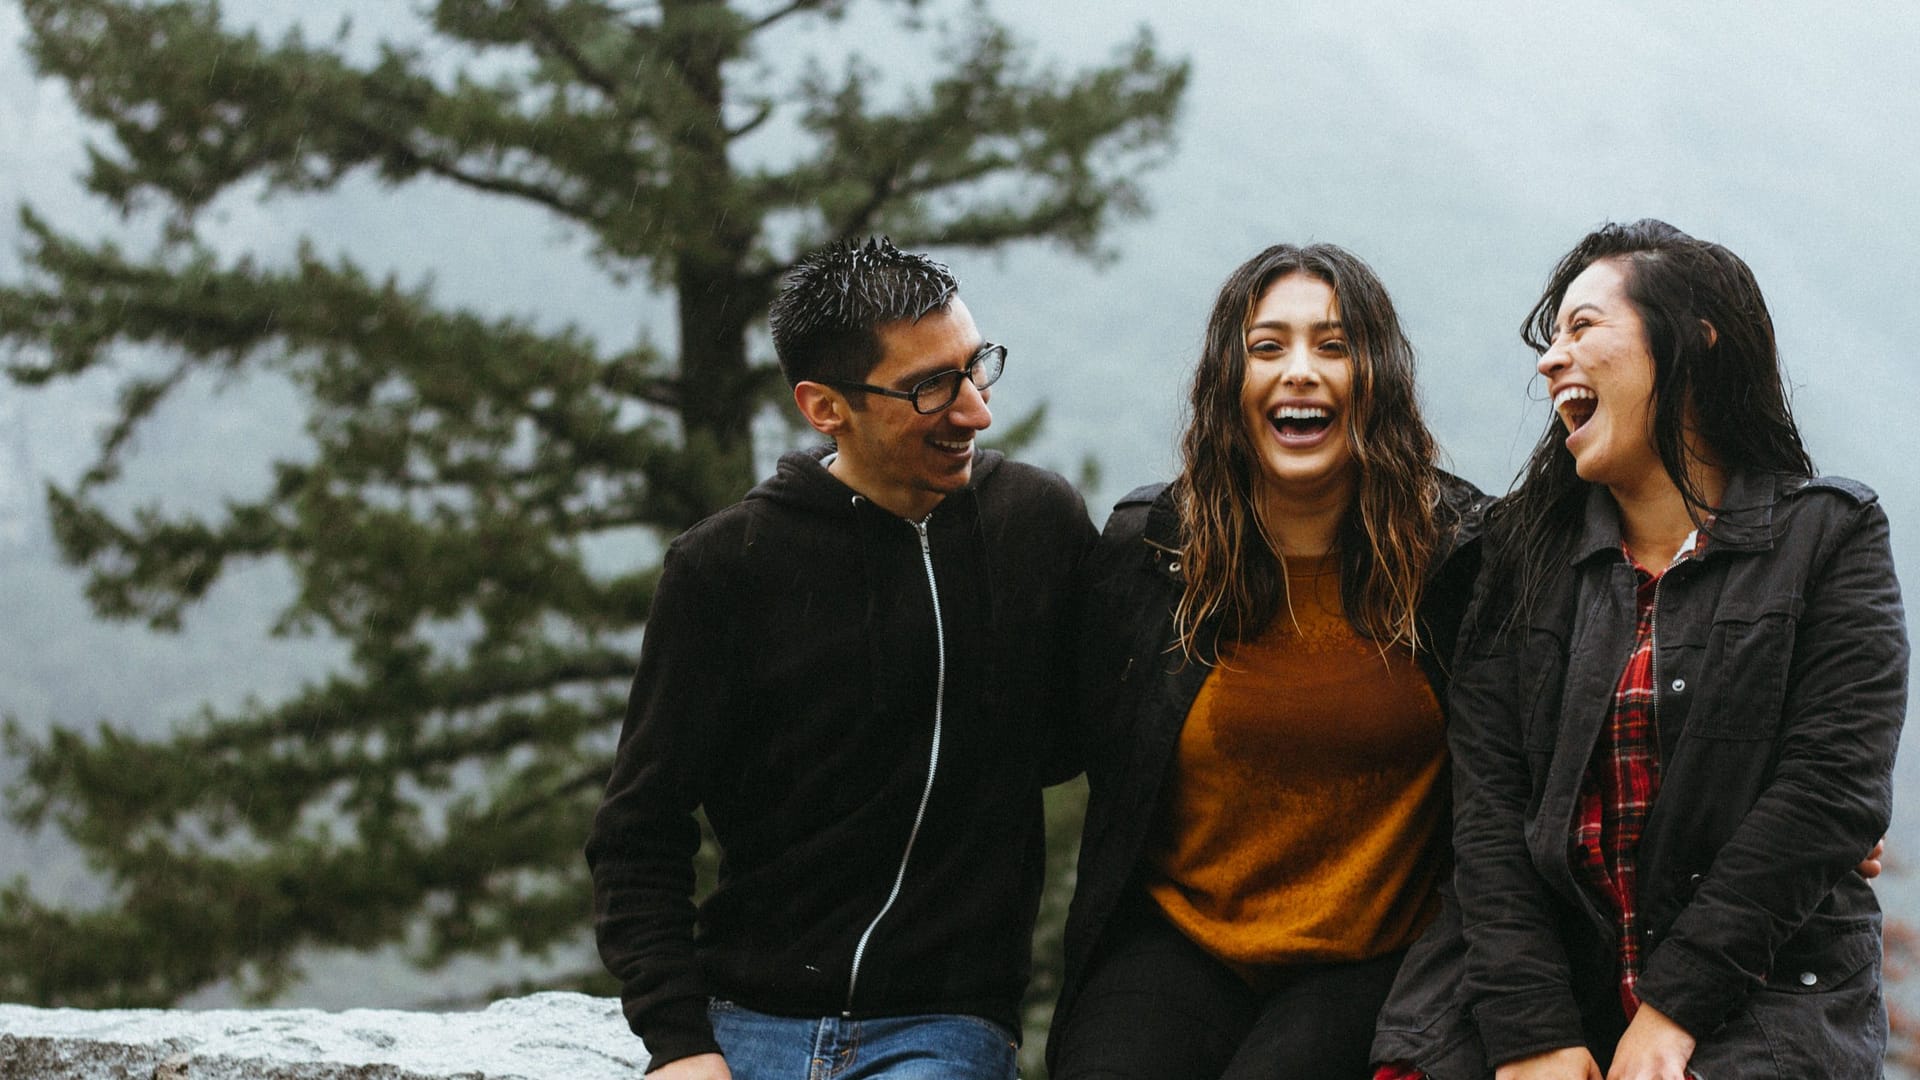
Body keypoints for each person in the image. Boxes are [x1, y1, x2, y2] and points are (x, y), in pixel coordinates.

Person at [585, 237, 1094, 1079]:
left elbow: (1097, 735)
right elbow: (639, 830)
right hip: (744, 1019)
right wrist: (679, 1044)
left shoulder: (1033, 526)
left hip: (941, 1025)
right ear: (825, 407)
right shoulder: (727, 567)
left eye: (976, 368)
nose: (976, 412)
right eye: (931, 387)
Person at [1443, 219, 1907, 1080]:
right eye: (1550, 339)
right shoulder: (1518, 561)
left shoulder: (1830, 538)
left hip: (1767, 1008)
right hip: (1566, 1009)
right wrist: (1533, 1034)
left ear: (1694, 340)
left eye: (1583, 326)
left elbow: (1831, 792)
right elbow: (1489, 815)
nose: (1550, 361)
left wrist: (1672, 1013)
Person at [1048, 243, 1491, 1080]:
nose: (1300, 372)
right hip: (1181, 939)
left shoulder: (1458, 564)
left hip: (1372, 957)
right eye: (1267, 347)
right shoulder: (1153, 552)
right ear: (1230, 381)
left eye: (1334, 346)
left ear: (1379, 378)